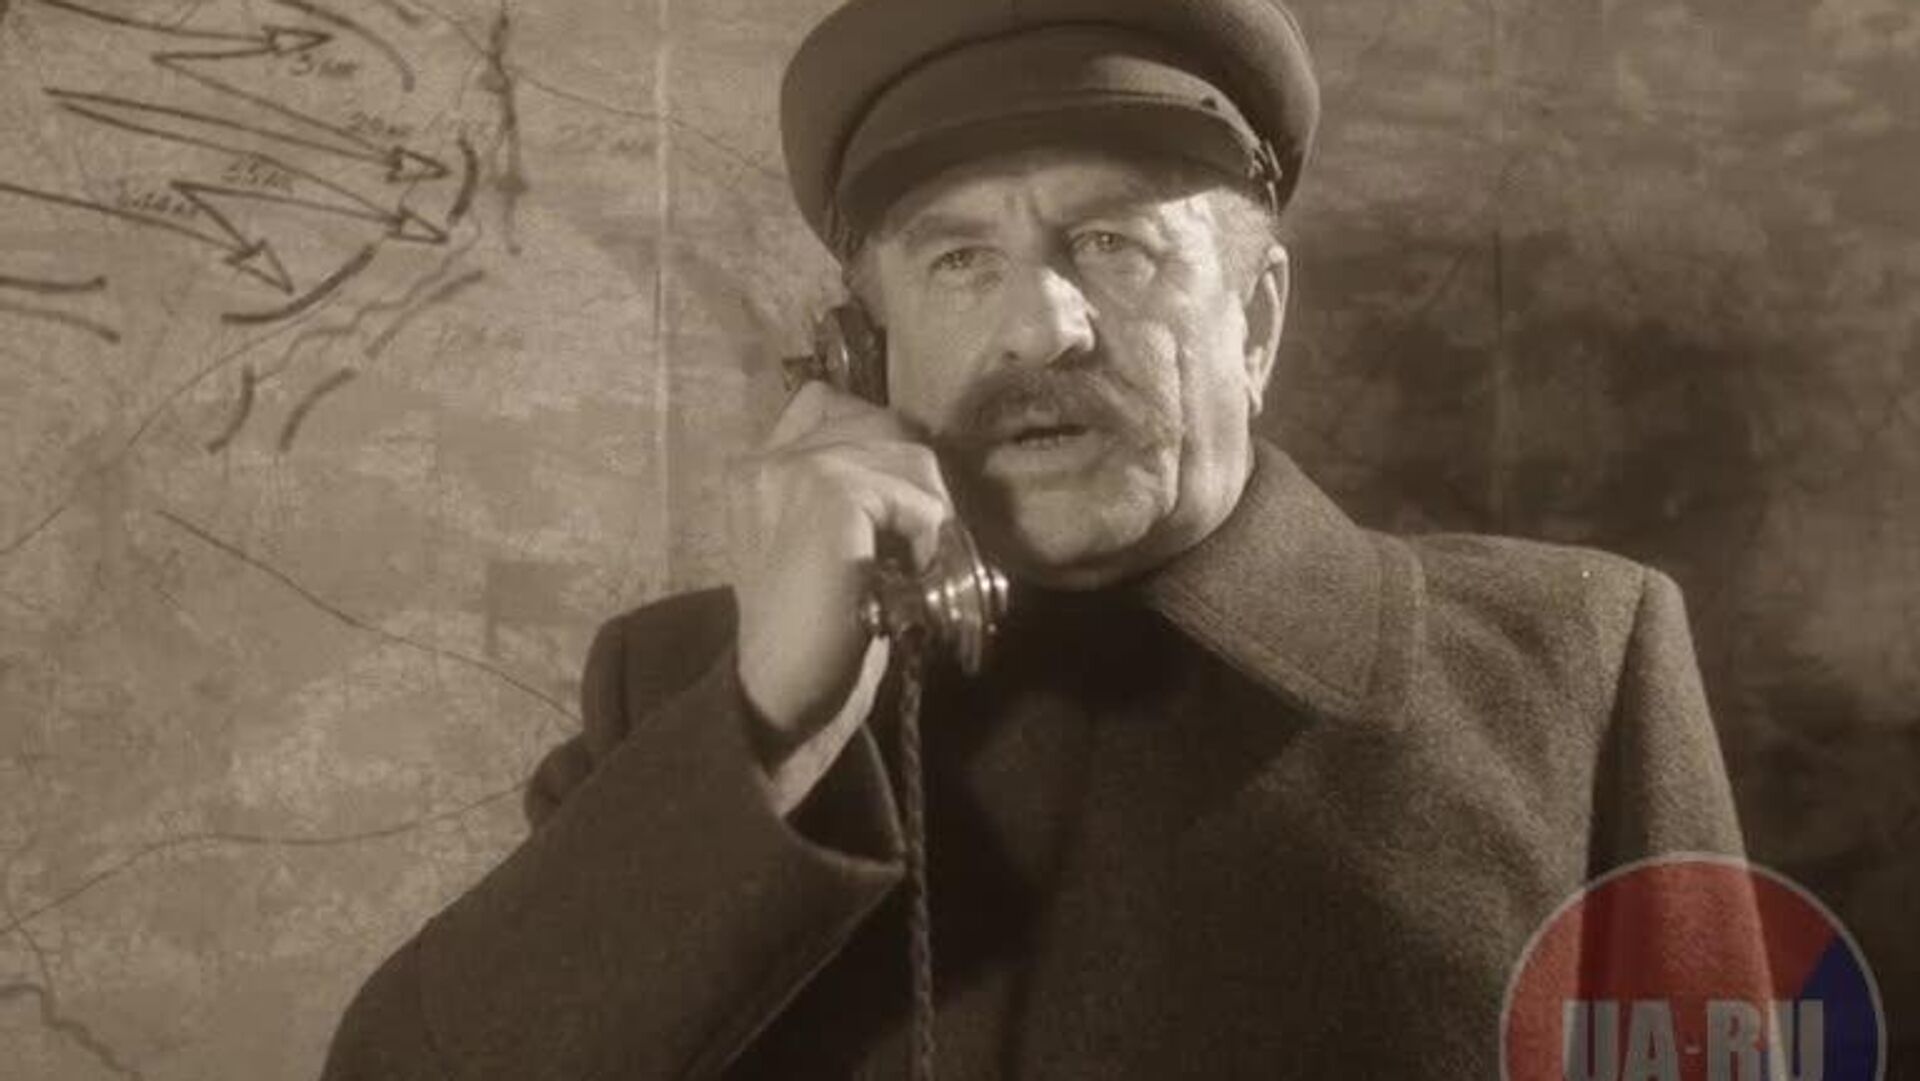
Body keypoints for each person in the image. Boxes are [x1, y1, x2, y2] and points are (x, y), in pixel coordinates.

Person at [321, 0, 1751, 1076]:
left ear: (1255, 321)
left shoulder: (1571, 666)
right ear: (863, 352)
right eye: (961, 259)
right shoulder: (695, 688)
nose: (1041, 326)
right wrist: (770, 734)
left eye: (1113, 244)